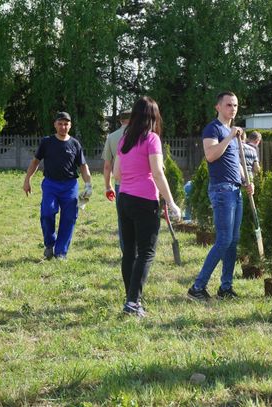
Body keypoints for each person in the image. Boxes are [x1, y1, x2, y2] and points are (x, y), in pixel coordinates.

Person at [113, 96, 181, 317]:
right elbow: (158, 173)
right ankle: (133, 303)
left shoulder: (124, 140)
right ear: (153, 117)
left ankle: (130, 299)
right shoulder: (151, 139)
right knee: (146, 253)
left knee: (129, 252)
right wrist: (171, 203)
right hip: (144, 201)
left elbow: (117, 174)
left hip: (124, 199)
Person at [187, 91, 254, 301]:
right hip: (222, 190)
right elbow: (211, 155)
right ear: (218, 107)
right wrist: (229, 136)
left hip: (235, 190)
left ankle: (226, 287)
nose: (232, 109)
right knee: (224, 239)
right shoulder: (213, 129)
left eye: (235, 105)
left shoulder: (232, 134)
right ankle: (197, 287)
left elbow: (236, 163)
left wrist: (246, 181)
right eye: (228, 105)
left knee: (233, 241)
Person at [23, 112, 92, 260]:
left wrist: (88, 185)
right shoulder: (47, 142)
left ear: (70, 125)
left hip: (70, 186)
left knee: (69, 218)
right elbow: (35, 162)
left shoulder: (75, 144)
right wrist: (27, 179)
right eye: (60, 123)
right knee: (47, 213)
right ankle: (49, 244)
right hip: (50, 184)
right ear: (55, 124)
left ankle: (61, 252)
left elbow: (83, 166)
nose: (63, 126)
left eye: (66, 124)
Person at [102, 109, 131, 251]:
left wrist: (108, 186)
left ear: (120, 120)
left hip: (121, 185)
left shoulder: (112, 137)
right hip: (140, 184)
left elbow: (107, 166)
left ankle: (126, 251)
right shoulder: (142, 135)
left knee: (123, 220)